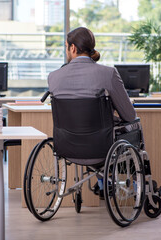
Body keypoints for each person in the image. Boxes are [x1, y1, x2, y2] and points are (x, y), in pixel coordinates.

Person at [47, 27, 137, 199]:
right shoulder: (108, 73)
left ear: (72, 48)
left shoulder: (53, 77)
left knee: (93, 129)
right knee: (132, 127)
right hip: (100, 147)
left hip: (67, 146)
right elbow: (129, 116)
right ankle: (134, 182)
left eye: (66, 46)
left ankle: (103, 180)